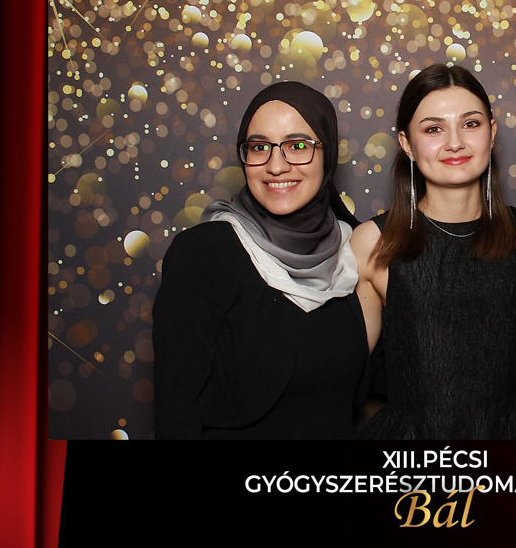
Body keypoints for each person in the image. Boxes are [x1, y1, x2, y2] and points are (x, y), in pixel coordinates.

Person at [153, 82, 371, 439]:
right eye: (259, 147)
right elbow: (177, 416)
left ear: (328, 154)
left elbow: (374, 394)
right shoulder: (205, 253)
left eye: (298, 145)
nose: (276, 166)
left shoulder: (354, 250)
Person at [351, 63, 516, 439]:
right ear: (406, 144)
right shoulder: (372, 243)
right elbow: (338, 377)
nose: (455, 143)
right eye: (433, 129)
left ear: (491, 133)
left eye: (470, 124)